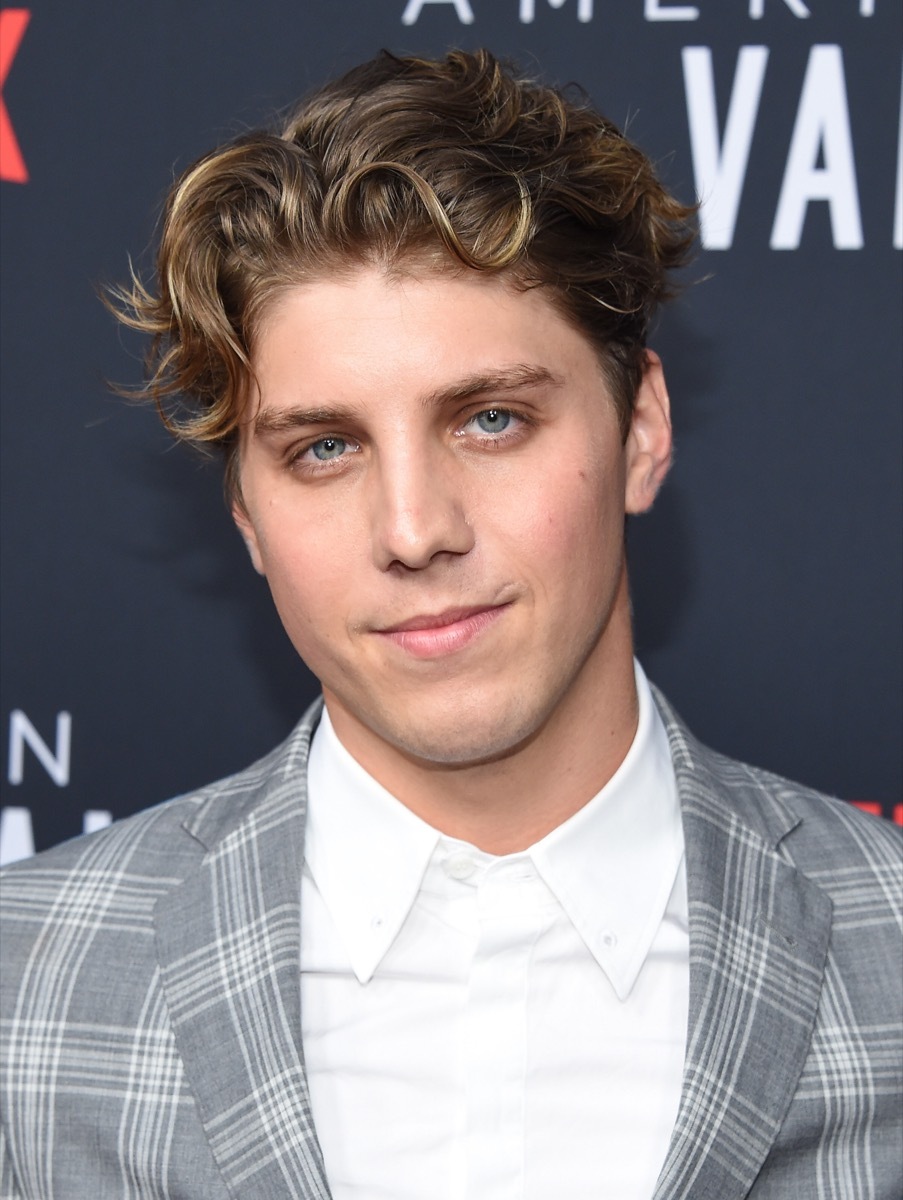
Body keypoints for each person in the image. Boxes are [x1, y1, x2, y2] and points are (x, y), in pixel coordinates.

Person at [1, 48, 900, 1200]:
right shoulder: (24, 990)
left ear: (640, 430)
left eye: (490, 420)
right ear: (245, 514)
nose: (415, 529)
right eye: (325, 448)